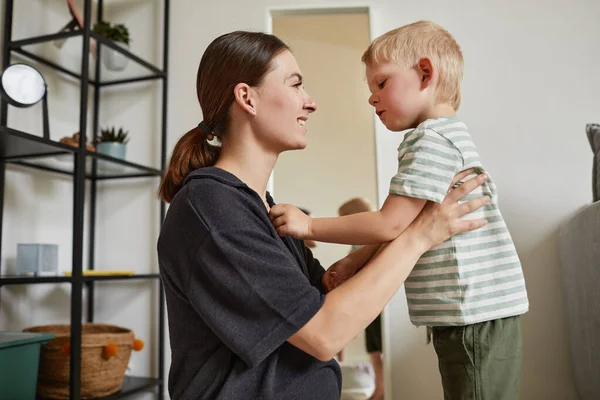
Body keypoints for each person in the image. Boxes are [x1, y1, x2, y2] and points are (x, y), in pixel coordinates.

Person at [157, 30, 490, 400]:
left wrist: (386, 240)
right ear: (247, 97)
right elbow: (323, 334)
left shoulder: (260, 208)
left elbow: (332, 301)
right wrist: (419, 236)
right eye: (296, 84)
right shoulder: (211, 208)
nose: (310, 103)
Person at [270, 21, 529, 400]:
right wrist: (358, 259)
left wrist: (309, 225)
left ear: (425, 73)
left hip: (473, 314)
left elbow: (389, 222)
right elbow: (404, 224)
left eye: (381, 83)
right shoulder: (444, 135)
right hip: (473, 312)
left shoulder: (430, 140)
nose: (372, 98)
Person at [338, 197, 384, 400]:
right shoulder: (358, 246)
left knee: (378, 350)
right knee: (374, 351)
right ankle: (380, 388)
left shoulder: (366, 244)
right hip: (369, 307)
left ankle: (381, 389)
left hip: (376, 306)